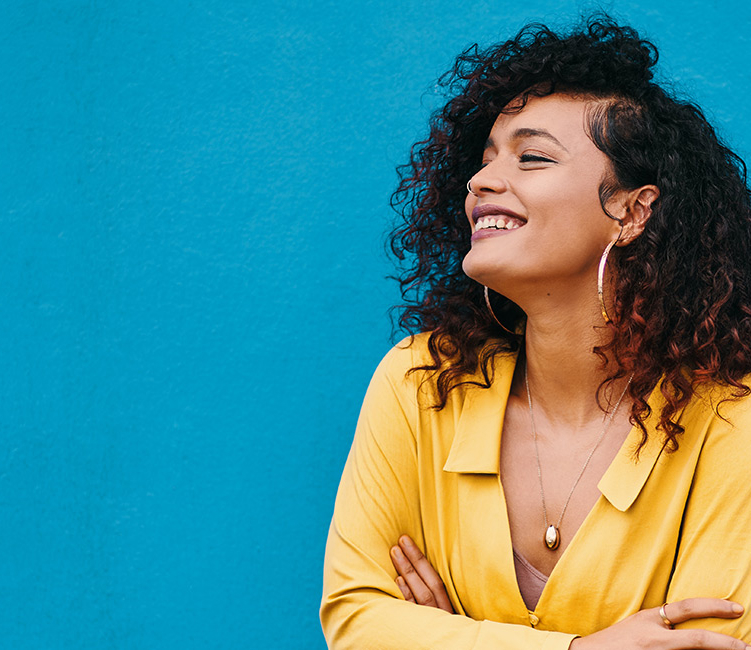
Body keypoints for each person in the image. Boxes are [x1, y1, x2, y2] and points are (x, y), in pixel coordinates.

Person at [321, 14, 751, 650]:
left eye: (533, 157)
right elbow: (356, 618)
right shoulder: (420, 382)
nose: (482, 181)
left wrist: (449, 635)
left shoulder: (731, 417)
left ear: (631, 212)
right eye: (487, 159)